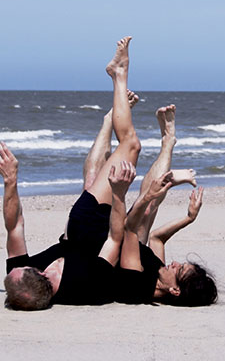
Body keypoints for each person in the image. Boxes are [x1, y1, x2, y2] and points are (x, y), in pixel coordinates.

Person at [0, 36, 155, 309]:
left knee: (115, 159)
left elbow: (14, 226)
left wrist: (10, 180)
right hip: (99, 226)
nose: (16, 265)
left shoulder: (27, 276)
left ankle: (115, 92)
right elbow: (115, 239)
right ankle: (118, 76)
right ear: (41, 275)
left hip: (83, 223)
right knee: (126, 148)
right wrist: (119, 194)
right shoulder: (86, 286)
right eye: (20, 268)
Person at [84, 103, 217, 307]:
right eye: (181, 264)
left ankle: (108, 122)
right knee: (148, 208)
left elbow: (129, 229)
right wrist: (188, 218)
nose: (174, 263)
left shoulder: (138, 286)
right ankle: (168, 142)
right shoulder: (160, 274)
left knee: (92, 180)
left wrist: (148, 195)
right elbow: (157, 238)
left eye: (179, 270)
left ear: (175, 290)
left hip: (99, 238)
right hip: (119, 236)